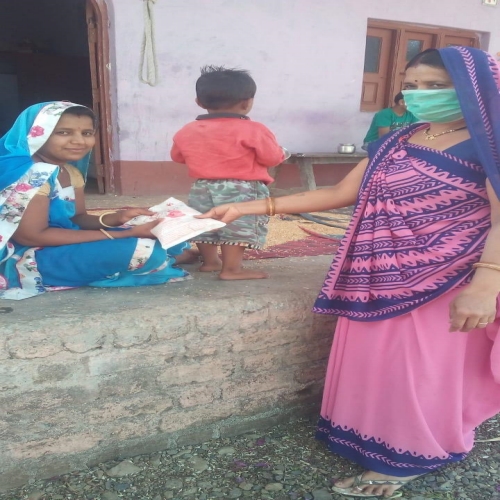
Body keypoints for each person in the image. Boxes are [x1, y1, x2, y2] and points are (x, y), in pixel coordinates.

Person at [198, 46, 500, 498]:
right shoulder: (401, 137)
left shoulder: (490, 143)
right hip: (377, 273)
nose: (420, 95)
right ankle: (368, 438)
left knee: (421, 370)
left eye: (436, 86)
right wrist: (246, 205)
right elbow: (339, 193)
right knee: (377, 362)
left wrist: (486, 284)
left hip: (447, 276)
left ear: (476, 88)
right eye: (413, 86)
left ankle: (411, 456)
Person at [0, 101, 195, 300]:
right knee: (136, 248)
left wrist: (117, 218)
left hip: (63, 241)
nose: (79, 141)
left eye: (86, 133)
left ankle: (162, 257)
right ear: (35, 133)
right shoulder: (31, 175)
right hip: (31, 255)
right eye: (63, 133)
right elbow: (31, 237)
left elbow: (78, 218)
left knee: (168, 237)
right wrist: (124, 234)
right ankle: (157, 259)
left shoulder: (69, 171)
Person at [170, 65, 286, 280]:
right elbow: (271, 158)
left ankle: (211, 262)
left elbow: (177, 157)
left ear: (199, 102)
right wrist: (282, 154)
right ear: (247, 102)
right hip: (242, 188)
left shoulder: (187, 130)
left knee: (204, 223)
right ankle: (232, 269)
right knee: (237, 225)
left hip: (202, 186)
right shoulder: (254, 129)